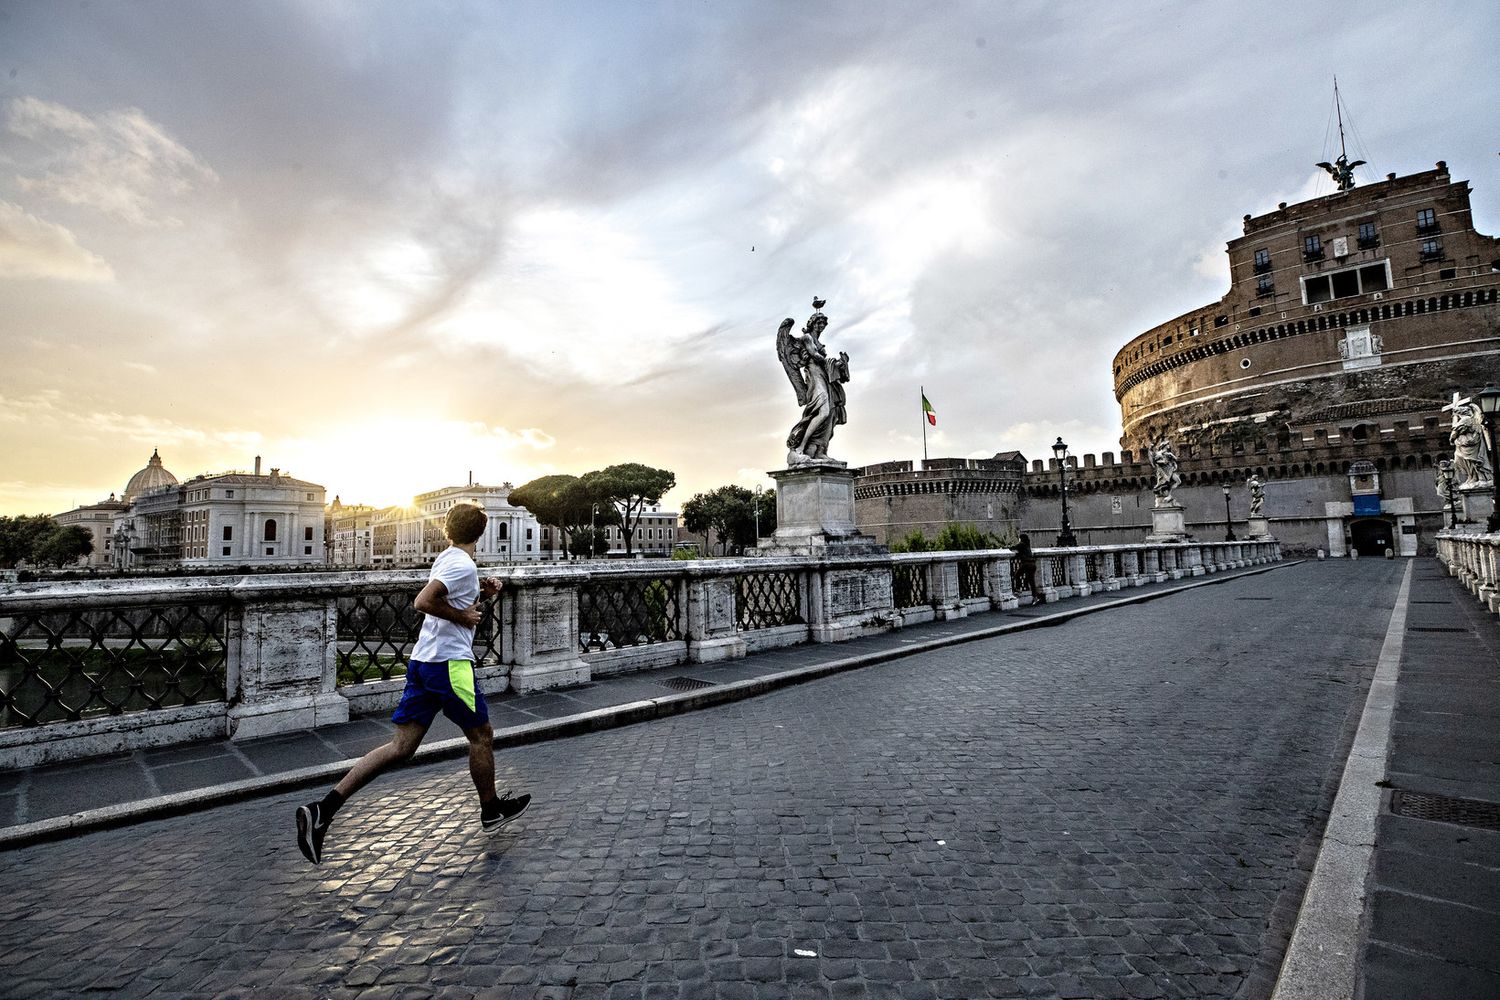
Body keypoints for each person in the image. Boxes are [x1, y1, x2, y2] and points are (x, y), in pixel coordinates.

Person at [296, 503, 530, 865]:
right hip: (449, 665)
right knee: (481, 736)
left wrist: (482, 596)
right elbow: (423, 601)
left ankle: (323, 809)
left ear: (448, 531)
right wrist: (464, 614)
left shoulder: (449, 558)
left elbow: (449, 600)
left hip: (424, 661)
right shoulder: (460, 563)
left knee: (401, 747)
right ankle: (490, 810)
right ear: (481, 533)